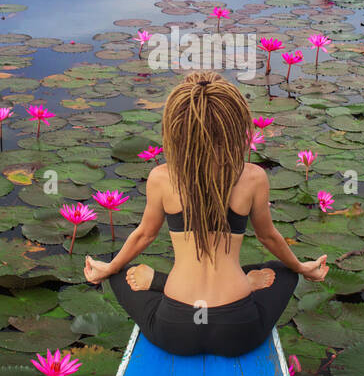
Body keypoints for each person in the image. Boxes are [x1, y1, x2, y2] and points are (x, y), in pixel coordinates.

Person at [83, 71, 329, 356]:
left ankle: (161, 282)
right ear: (234, 126)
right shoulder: (253, 177)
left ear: (177, 129)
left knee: (120, 274)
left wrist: (110, 268)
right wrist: (301, 267)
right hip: (238, 329)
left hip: (175, 329)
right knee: (283, 272)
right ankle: (244, 282)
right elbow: (269, 238)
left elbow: (144, 235)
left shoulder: (162, 177)